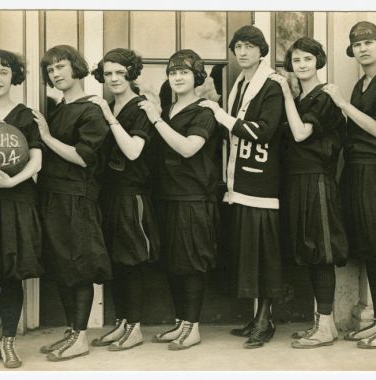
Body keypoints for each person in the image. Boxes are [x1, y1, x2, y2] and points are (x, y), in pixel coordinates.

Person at [199, 25, 284, 349]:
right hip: (240, 180)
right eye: (238, 47)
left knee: (265, 254)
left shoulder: (272, 85)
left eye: (249, 46)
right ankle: (257, 316)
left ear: (261, 51)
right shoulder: (240, 83)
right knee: (250, 254)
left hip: (262, 180)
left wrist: (220, 114)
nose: (243, 52)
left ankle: (266, 319)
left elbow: (263, 131)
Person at [33, 45, 112, 361]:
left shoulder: (91, 109)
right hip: (53, 196)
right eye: (50, 70)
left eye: (61, 66)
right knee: (62, 266)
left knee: (79, 267)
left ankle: (81, 337)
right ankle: (71, 332)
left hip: (77, 198)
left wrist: (47, 137)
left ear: (76, 67)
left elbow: (83, 157)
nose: (56, 73)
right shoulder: (60, 107)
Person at [270, 37, 348, 348]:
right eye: (297, 60)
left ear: (318, 61)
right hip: (297, 181)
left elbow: (302, 133)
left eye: (308, 59)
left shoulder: (324, 96)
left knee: (321, 252)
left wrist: (287, 93)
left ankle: (326, 326)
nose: (302, 65)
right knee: (309, 250)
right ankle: (322, 323)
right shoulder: (304, 98)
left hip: (317, 180)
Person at [139, 49, 220, 350]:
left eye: (184, 72)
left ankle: (194, 326)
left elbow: (188, 148)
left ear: (197, 76)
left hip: (193, 197)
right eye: (173, 73)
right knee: (173, 262)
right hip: (167, 196)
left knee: (191, 262)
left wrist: (156, 120)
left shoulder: (205, 110)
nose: (177, 77)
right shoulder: (169, 109)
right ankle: (181, 323)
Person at [89, 48, 160, 350]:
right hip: (109, 195)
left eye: (120, 72)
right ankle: (121, 323)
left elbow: (133, 151)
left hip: (132, 195)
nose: (114, 78)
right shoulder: (108, 106)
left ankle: (136, 327)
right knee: (116, 262)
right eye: (108, 74)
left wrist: (108, 117)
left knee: (132, 262)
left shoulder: (141, 107)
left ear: (131, 73)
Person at [323, 21, 376, 349]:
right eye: (357, 44)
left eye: (369, 42)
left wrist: (342, 104)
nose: (364, 48)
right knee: (368, 249)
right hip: (356, 171)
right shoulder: (361, 84)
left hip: (373, 170)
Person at [0, 49, 43, 369]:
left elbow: (37, 160)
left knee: (11, 274)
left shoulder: (26, 115)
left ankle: (8, 341)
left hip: (14, 201)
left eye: (3, 71)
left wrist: (11, 183)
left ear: (14, 76)